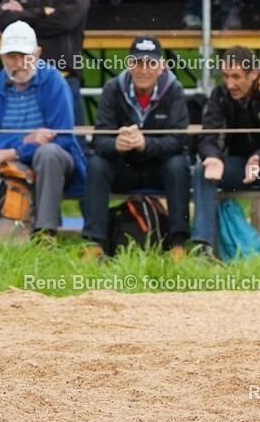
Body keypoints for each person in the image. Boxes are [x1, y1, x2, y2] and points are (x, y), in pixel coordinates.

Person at [82, 36, 191, 260]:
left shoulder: (174, 90)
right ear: (128, 64)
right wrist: (116, 144)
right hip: (124, 168)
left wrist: (146, 144)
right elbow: (99, 140)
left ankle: (178, 244)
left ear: (161, 66)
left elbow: (179, 140)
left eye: (150, 63)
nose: (144, 69)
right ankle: (95, 243)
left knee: (178, 164)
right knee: (97, 164)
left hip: (159, 169)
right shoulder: (112, 88)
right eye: (138, 63)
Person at [190, 46, 260, 260]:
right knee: (202, 170)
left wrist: (259, 159)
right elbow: (208, 138)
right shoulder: (219, 94)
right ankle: (202, 248)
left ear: (253, 73)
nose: (229, 84)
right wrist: (212, 157)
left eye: (236, 77)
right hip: (238, 166)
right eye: (225, 76)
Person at [0, 20, 87, 240]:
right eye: (12, 57)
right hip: (6, 159)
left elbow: (63, 139)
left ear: (37, 53)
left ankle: (45, 234)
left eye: (25, 56)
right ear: (0, 56)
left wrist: (14, 152)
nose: (19, 63)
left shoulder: (55, 82)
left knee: (48, 153)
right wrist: (27, 139)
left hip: (53, 162)